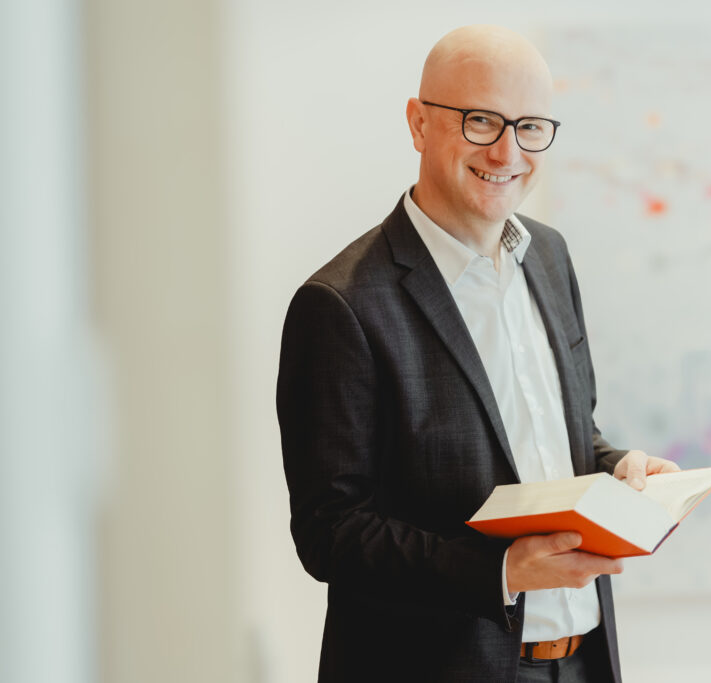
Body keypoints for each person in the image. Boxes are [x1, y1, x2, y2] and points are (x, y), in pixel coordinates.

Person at [276, 24, 680, 682]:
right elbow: (331, 532)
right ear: (418, 123)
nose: (507, 150)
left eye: (530, 127)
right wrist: (500, 570)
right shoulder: (340, 305)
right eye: (481, 120)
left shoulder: (549, 256)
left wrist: (621, 466)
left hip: (582, 663)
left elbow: (557, 433)